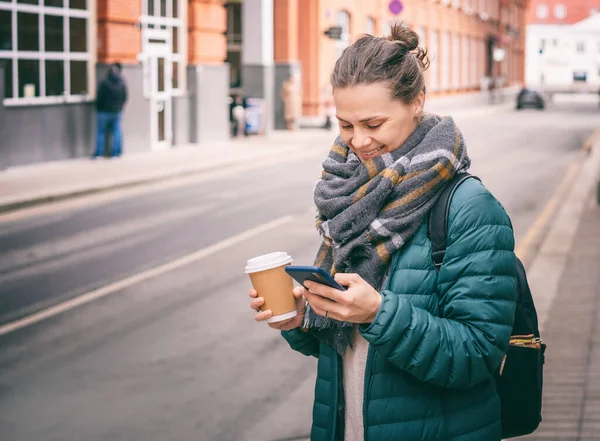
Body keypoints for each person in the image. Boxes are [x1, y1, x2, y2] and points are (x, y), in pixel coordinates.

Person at [249, 23, 517, 441]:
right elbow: (341, 346)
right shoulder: (351, 196)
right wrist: (301, 317)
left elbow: (478, 353)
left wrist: (378, 313)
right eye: (345, 125)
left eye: (373, 123)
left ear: (417, 102)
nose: (359, 141)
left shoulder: (468, 207)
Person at [93, 62, 128, 158]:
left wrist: (99, 107)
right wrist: (120, 107)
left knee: (101, 132)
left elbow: (99, 97)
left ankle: (99, 153)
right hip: (117, 111)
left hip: (104, 111)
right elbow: (125, 97)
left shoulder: (104, 82)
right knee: (117, 132)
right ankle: (116, 153)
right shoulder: (122, 83)